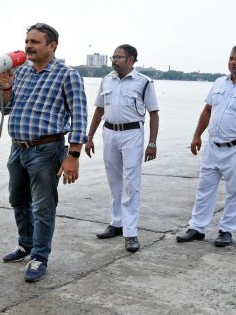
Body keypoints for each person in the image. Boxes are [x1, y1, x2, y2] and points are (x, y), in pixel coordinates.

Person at [0, 23, 87, 282]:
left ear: (52, 46)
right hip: (18, 148)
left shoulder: (67, 75)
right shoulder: (21, 72)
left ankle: (40, 256)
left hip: (46, 150)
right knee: (17, 199)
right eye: (27, 41)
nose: (28, 46)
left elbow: (80, 117)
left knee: (43, 207)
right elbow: (4, 109)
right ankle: (25, 245)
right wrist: (5, 88)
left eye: (35, 42)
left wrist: (74, 156)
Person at [176, 44, 236, 247]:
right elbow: (207, 111)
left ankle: (226, 230)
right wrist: (196, 136)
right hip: (213, 146)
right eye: (231, 58)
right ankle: (197, 228)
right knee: (204, 187)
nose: (233, 62)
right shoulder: (219, 83)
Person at [84, 44, 159, 253]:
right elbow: (99, 110)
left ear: (131, 60)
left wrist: (152, 143)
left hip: (132, 134)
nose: (114, 60)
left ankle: (131, 232)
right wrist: (89, 137)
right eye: (112, 57)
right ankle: (116, 223)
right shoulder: (107, 80)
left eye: (118, 57)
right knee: (114, 181)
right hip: (109, 133)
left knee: (131, 183)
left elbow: (154, 113)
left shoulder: (143, 83)